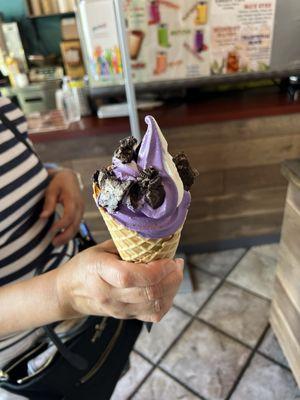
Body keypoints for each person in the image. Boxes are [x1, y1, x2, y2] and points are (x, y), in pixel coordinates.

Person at [0, 95, 184, 399]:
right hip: (29, 359)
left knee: (107, 371)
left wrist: (57, 174)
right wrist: (63, 292)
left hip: (87, 306)